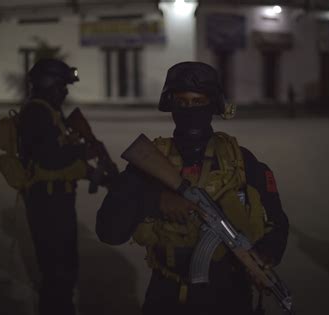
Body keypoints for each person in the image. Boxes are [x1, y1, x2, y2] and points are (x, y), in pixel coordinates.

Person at [96, 61, 289, 315]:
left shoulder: (240, 161)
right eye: (182, 102)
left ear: (213, 105)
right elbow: (109, 231)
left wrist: (263, 258)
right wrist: (155, 201)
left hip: (230, 295)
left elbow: (278, 221)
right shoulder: (152, 160)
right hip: (168, 294)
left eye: (198, 101)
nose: (190, 110)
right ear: (171, 106)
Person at [18, 58, 102, 315]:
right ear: (47, 84)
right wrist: (82, 150)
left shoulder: (49, 110)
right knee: (57, 273)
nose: (65, 92)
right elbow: (51, 157)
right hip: (47, 203)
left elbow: (61, 148)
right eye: (61, 86)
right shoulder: (36, 112)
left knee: (66, 269)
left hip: (58, 201)